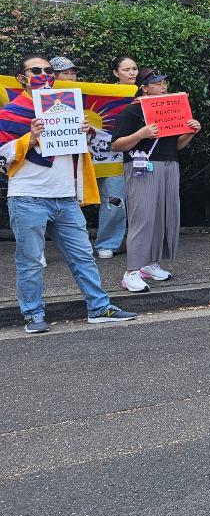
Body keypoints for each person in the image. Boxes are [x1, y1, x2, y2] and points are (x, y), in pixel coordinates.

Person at [2, 54, 139, 333]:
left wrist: (86, 134)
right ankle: (33, 314)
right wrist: (31, 138)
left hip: (65, 195)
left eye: (48, 70)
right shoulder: (11, 112)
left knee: (83, 255)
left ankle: (99, 308)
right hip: (28, 195)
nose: (44, 74)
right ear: (21, 78)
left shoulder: (67, 106)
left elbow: (77, 150)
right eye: (36, 70)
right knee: (29, 260)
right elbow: (2, 157)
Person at [109, 69, 201, 292]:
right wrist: (140, 134)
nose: (163, 87)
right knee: (143, 217)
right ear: (144, 87)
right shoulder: (130, 112)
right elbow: (116, 145)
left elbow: (175, 145)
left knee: (163, 214)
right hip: (141, 166)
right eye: (158, 83)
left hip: (170, 164)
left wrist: (190, 133)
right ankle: (131, 271)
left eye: (164, 83)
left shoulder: (170, 110)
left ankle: (149, 263)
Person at [94, 55, 140, 260]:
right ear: (115, 73)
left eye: (134, 69)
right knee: (114, 200)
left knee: (142, 201)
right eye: (126, 69)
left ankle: (141, 241)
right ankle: (107, 243)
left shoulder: (146, 91)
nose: (131, 73)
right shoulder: (106, 96)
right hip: (110, 155)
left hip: (141, 155)